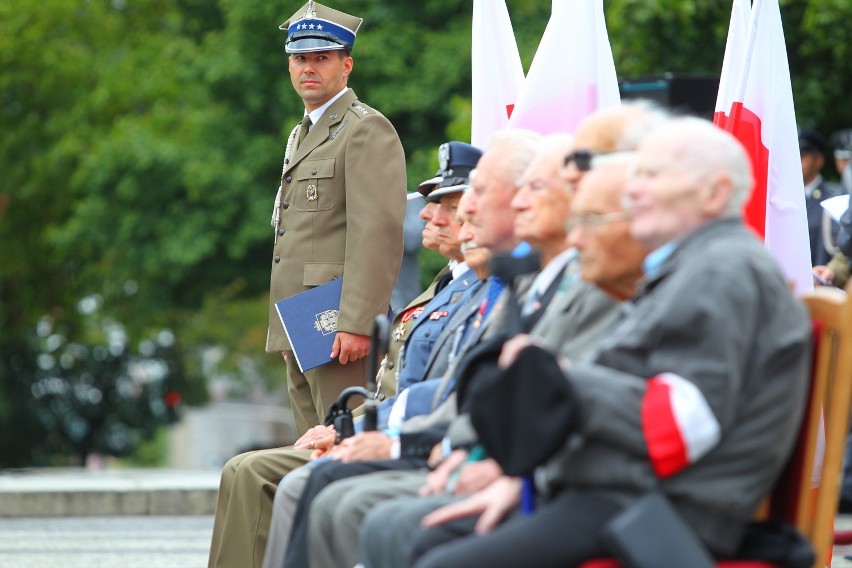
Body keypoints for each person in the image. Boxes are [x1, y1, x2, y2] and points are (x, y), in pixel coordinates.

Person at [409, 117, 811, 568]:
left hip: (655, 515)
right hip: (622, 496)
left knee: (438, 561)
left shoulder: (723, 270)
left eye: (653, 175)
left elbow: (681, 422)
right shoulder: (694, 266)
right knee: (426, 543)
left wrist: (557, 377)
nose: (634, 189)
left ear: (714, 193)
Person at [208, 141, 475, 568]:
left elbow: (443, 393)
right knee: (244, 469)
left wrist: (359, 430)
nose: (425, 212)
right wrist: (344, 426)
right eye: (434, 203)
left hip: (411, 439)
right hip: (378, 417)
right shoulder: (446, 284)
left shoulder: (365, 129)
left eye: (448, 204)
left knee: (270, 477)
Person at [268, 0, 407, 438]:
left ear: (346, 65)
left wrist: (357, 321)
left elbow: (377, 233)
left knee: (341, 447)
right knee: (308, 453)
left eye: (321, 58)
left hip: (336, 328)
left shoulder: (364, 129)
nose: (308, 68)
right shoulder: (303, 132)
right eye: (299, 58)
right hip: (300, 322)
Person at [799, 127, 840, 267]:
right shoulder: (777, 200)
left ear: (819, 160)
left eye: (802, 156)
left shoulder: (833, 199)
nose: (795, 161)